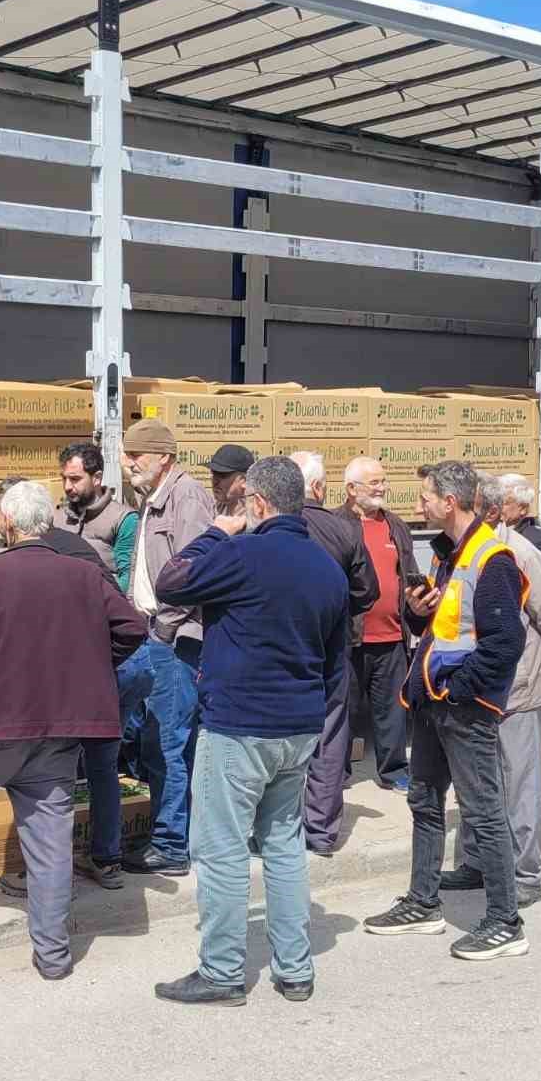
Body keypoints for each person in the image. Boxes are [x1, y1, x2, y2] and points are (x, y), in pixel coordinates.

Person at [0, 482, 146, 978]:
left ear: (9, 525)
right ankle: (53, 954)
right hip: (61, 731)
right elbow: (133, 628)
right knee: (50, 840)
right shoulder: (84, 574)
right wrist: (93, 667)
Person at [151, 457, 349, 1007]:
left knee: (220, 850)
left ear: (256, 503)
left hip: (239, 724)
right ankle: (295, 969)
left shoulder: (240, 553)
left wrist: (217, 530)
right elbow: (336, 663)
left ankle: (221, 971)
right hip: (299, 726)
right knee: (284, 844)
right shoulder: (326, 568)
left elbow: (171, 583)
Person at [364, 460, 530, 961]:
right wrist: (421, 612)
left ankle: (505, 921)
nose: (419, 505)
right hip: (434, 702)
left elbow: (505, 643)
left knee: (483, 811)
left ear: (450, 502)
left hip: (463, 707)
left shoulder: (491, 558)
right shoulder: (446, 555)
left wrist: (460, 689)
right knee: (424, 800)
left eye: (426, 497)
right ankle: (422, 902)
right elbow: (448, 627)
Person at [0, 477, 129, 892]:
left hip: (91, 675)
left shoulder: (47, 556)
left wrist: (92, 662)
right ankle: (107, 861)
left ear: (13, 517)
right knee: (100, 768)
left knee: (43, 781)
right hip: (105, 672)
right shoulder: (68, 546)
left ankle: (41, 875)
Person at [441, 477, 541, 910]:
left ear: (492, 512)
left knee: (519, 785)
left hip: (518, 689)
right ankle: (477, 864)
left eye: (472, 508)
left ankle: (525, 874)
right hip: (478, 686)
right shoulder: (466, 549)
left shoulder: (522, 553)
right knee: (478, 783)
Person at [118, 418, 216, 876]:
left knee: (169, 742)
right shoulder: (150, 498)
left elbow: (196, 572)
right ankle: (169, 829)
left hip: (175, 639)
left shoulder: (187, 496)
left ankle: (173, 844)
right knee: (151, 738)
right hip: (151, 633)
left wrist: (164, 627)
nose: (129, 462)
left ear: (164, 458)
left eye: (137, 454)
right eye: (127, 453)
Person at [289, 451, 380, 855]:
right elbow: (368, 591)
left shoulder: (266, 530)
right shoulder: (344, 530)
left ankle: (279, 827)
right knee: (328, 734)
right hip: (331, 645)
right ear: (320, 488)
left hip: (280, 646)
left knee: (278, 735)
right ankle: (322, 833)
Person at [340, 453, 424, 796]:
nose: (382, 488)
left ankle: (393, 770)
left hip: (391, 637)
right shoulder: (338, 524)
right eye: (375, 482)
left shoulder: (395, 525)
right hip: (350, 638)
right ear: (351, 488)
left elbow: (409, 572)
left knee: (392, 710)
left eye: (383, 481)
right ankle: (337, 771)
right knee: (343, 708)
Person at [55, 440, 138, 590]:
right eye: (64, 478)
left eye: (75, 479)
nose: (67, 487)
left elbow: (127, 579)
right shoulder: (56, 519)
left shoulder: (123, 519)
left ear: (97, 478)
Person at [496, 473, 541, 578]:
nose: (496, 507)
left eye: (504, 503)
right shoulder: (485, 534)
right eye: (495, 501)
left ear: (523, 509)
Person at [208, 443, 254, 517]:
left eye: (222, 475)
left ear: (244, 480)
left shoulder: (257, 515)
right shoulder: (213, 508)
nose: (215, 481)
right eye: (214, 473)